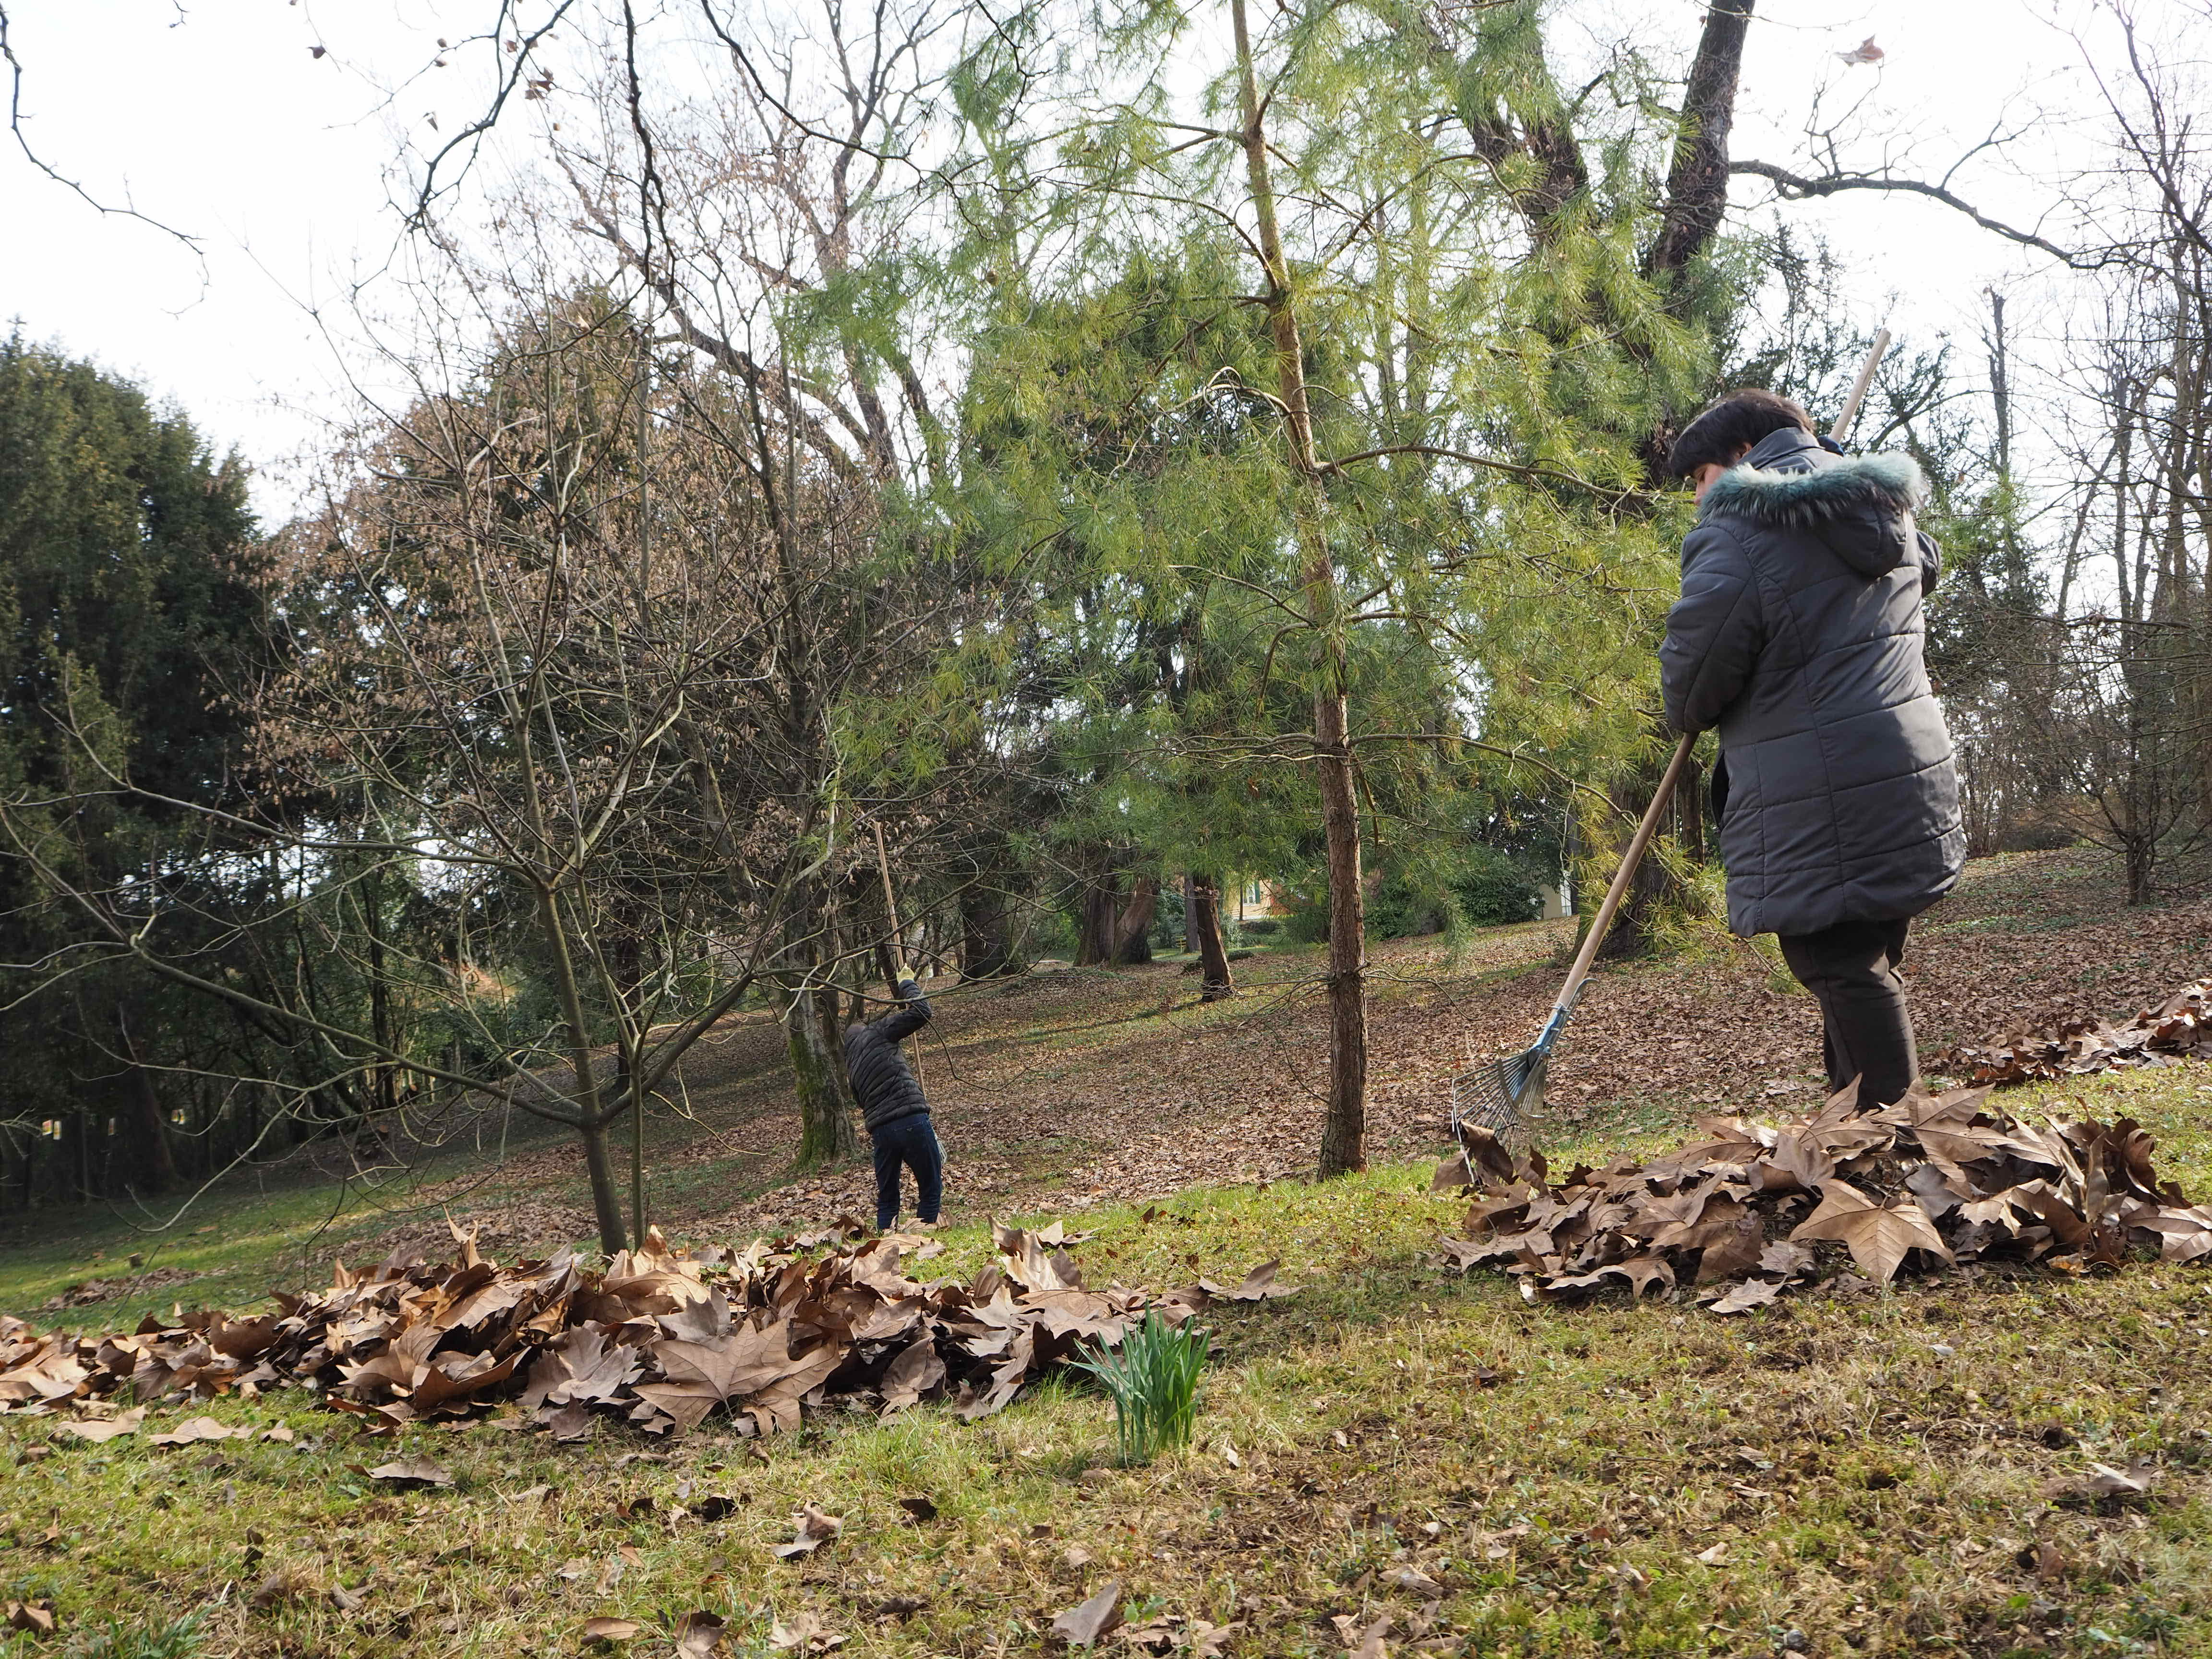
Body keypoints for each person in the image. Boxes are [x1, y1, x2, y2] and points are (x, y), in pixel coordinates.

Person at [1659, 388, 1965, 1107]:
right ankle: (1850, 1129)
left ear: (1739, 458)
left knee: (1838, 963)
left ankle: (1895, 1146)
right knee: (1862, 957)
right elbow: (1920, 570)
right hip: (1909, 772)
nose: (1700, 499)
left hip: (1821, 788)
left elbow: (1693, 686)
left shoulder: (1737, 534)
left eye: (1700, 478)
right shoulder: (1884, 509)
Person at [843, 979, 944, 1232]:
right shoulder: (877, 1031)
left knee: (888, 1197)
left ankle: (883, 1242)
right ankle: (923, 1238)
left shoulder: (852, 1068)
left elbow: (860, 1102)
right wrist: (907, 984)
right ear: (864, 1030)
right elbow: (922, 1012)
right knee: (930, 1187)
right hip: (911, 1119)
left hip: (881, 1133)